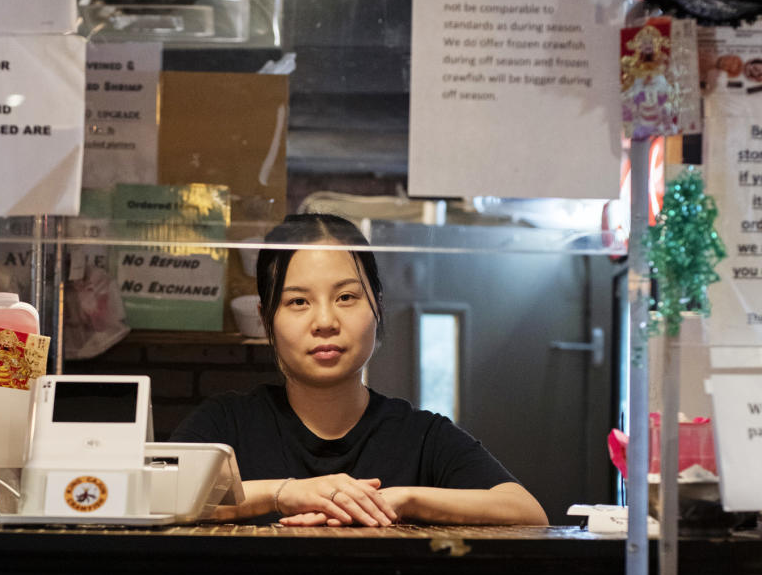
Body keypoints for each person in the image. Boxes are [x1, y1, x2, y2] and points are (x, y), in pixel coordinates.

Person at [171, 214, 548, 527]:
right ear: (266, 318)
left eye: (346, 297)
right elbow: (155, 499)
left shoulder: (420, 436)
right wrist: (282, 493)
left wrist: (403, 500)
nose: (324, 321)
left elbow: (528, 514)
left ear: (378, 308)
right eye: (298, 301)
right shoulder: (226, 424)